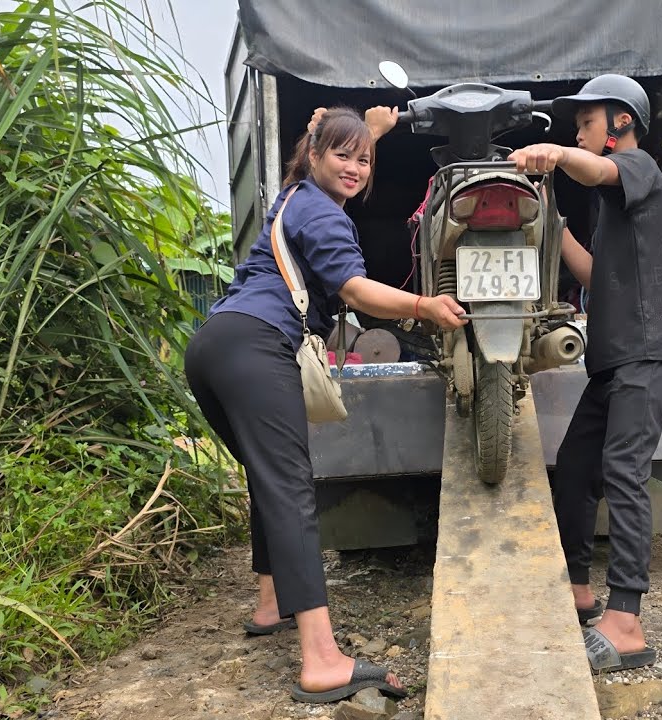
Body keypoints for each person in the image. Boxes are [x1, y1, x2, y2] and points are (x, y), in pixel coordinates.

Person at [183, 107, 467, 703]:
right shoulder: (324, 214)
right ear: (311, 155)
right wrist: (426, 306)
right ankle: (321, 659)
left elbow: (341, 151)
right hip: (258, 346)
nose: (356, 169)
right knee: (291, 487)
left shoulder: (291, 198)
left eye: (365, 160)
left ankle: (270, 604)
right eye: (342, 155)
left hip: (213, 346)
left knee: (269, 479)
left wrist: (367, 131)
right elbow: (356, 292)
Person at [507, 75, 662, 673]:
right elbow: (595, 276)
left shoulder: (637, 165)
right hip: (618, 355)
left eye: (586, 123)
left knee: (623, 467)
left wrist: (556, 156)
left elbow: (595, 170)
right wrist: (554, 226)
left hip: (650, 349)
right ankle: (577, 588)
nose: (577, 133)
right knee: (576, 464)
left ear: (620, 122)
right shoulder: (612, 206)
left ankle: (626, 621)